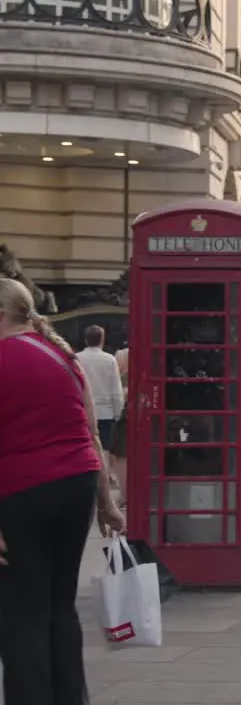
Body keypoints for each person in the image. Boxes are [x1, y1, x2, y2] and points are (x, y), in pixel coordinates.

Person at [0, 279, 126, 704]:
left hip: (20, 490)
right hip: (76, 486)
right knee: (59, 602)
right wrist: (107, 502)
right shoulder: (62, 354)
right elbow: (90, 430)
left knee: (21, 610)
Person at [77, 325, 124, 502]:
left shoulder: (77, 358)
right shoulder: (109, 360)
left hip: (82, 408)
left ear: (85, 340)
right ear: (102, 340)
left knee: (85, 444)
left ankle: (87, 474)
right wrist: (118, 411)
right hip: (105, 410)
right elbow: (116, 389)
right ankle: (102, 478)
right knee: (103, 447)